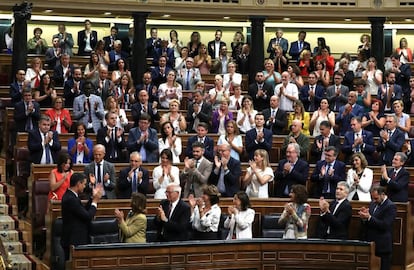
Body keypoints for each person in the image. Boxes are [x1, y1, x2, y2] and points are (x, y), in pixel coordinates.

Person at [61, 172, 103, 260]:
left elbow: (82, 211)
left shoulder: (71, 196)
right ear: (78, 184)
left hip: (75, 239)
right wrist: (95, 202)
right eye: (84, 184)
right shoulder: (71, 199)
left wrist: (92, 197)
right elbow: (87, 216)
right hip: (73, 240)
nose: (84, 186)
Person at [359, 186, 396, 270]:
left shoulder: (390, 206)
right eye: (373, 198)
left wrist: (369, 217)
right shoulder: (373, 203)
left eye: (376, 198)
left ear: (382, 195)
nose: (374, 200)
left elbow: (385, 225)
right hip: (371, 243)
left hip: (383, 246)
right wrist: (364, 218)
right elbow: (370, 221)